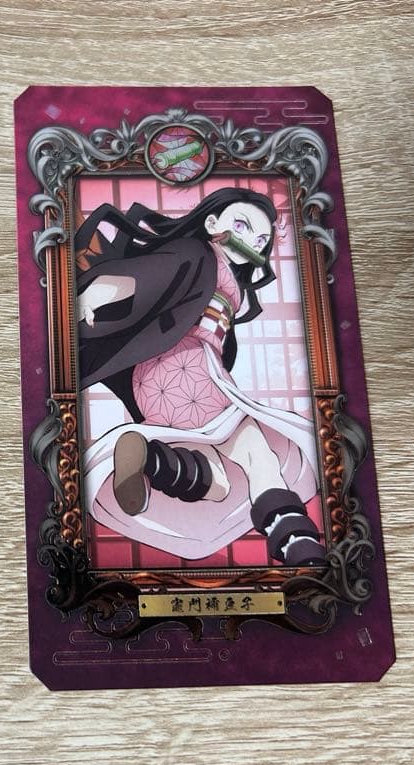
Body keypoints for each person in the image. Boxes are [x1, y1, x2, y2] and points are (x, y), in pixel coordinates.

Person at [76, 188, 325, 565]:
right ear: (211, 223)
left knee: (220, 481)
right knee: (259, 457)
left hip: (166, 383)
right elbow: (150, 276)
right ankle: (299, 548)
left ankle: (154, 461)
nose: (251, 242)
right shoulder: (197, 252)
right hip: (189, 371)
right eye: (242, 226)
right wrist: (98, 292)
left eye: (261, 240)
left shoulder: (224, 275)